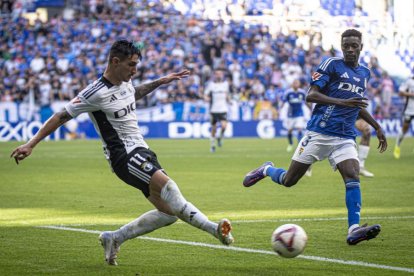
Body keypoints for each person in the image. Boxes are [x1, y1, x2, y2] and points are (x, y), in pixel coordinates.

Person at [11, 40, 234, 266]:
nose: (135, 70)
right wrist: (31, 144)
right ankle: (215, 230)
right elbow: (61, 115)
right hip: (123, 157)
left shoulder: (126, 83)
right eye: (131, 65)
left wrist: (160, 81)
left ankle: (114, 237)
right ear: (115, 62)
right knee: (170, 188)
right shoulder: (94, 93)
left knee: (168, 214)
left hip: (142, 150)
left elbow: (132, 94)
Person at [242, 29, 387, 245]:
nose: (349, 49)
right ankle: (266, 170)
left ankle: (354, 229)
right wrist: (341, 102)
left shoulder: (364, 72)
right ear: (341, 45)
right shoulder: (331, 64)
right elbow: (311, 95)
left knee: (352, 175)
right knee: (289, 180)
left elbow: (357, 105)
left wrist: (376, 126)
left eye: (353, 45)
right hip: (319, 132)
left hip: (345, 135)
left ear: (360, 47)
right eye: (345, 45)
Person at [204, 68, 231, 152]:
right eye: (217, 74)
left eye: (220, 74)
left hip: (223, 109)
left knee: (224, 126)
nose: (219, 75)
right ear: (215, 75)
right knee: (214, 128)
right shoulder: (211, 84)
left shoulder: (225, 84)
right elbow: (205, 94)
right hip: (214, 110)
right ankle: (212, 145)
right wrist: (206, 98)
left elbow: (227, 94)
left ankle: (220, 137)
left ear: (222, 75)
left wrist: (229, 100)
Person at [281, 79, 310, 153]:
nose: (296, 84)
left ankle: (299, 145)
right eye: (294, 83)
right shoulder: (288, 92)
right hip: (290, 115)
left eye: (297, 83)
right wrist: (280, 110)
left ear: (299, 84)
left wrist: (311, 109)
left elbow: (306, 101)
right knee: (290, 130)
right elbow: (283, 102)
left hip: (299, 114)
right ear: (292, 84)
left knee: (299, 128)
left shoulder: (302, 92)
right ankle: (290, 144)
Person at [393, 74, 414, 159]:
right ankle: (397, 146)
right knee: (405, 129)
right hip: (409, 110)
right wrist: (411, 95)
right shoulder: (409, 81)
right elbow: (400, 92)